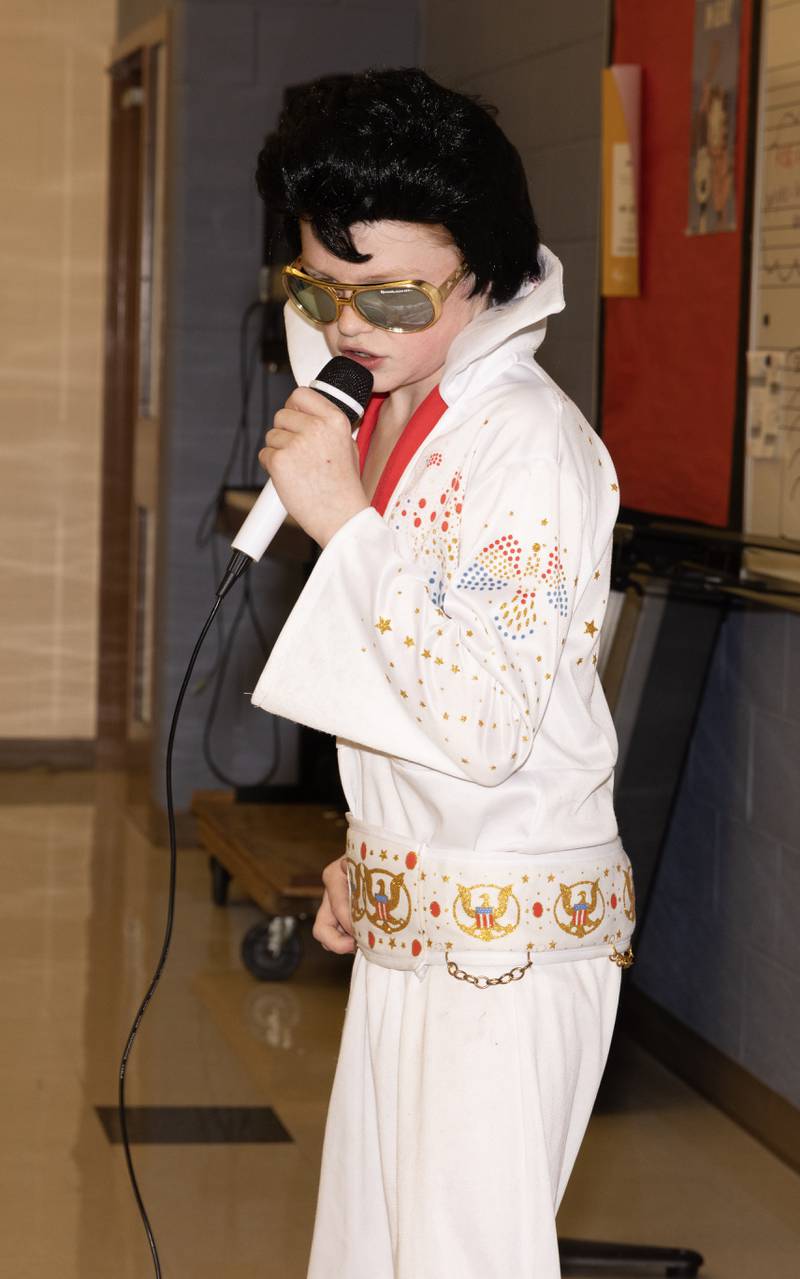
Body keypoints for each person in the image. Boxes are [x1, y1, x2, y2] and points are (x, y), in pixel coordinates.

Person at [250, 68, 635, 1279]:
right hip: (425, 911)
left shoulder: (527, 444)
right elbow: (416, 689)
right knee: (374, 1256)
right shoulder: (415, 407)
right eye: (322, 290)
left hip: (508, 946)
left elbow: (481, 718)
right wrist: (373, 854)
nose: (351, 328)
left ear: (486, 271)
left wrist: (344, 523)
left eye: (393, 296)